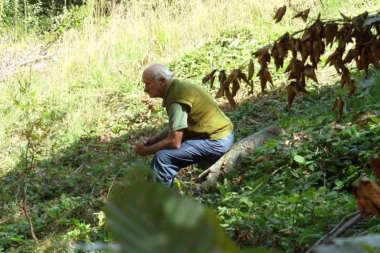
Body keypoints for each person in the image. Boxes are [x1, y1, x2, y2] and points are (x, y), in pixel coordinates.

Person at [134, 63, 234, 186]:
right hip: (219, 135)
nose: (145, 89)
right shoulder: (178, 88)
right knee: (163, 155)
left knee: (162, 158)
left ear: (162, 81)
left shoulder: (176, 98)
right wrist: (153, 140)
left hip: (217, 140)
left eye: (147, 84)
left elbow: (174, 142)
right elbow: (177, 127)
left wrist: (146, 150)